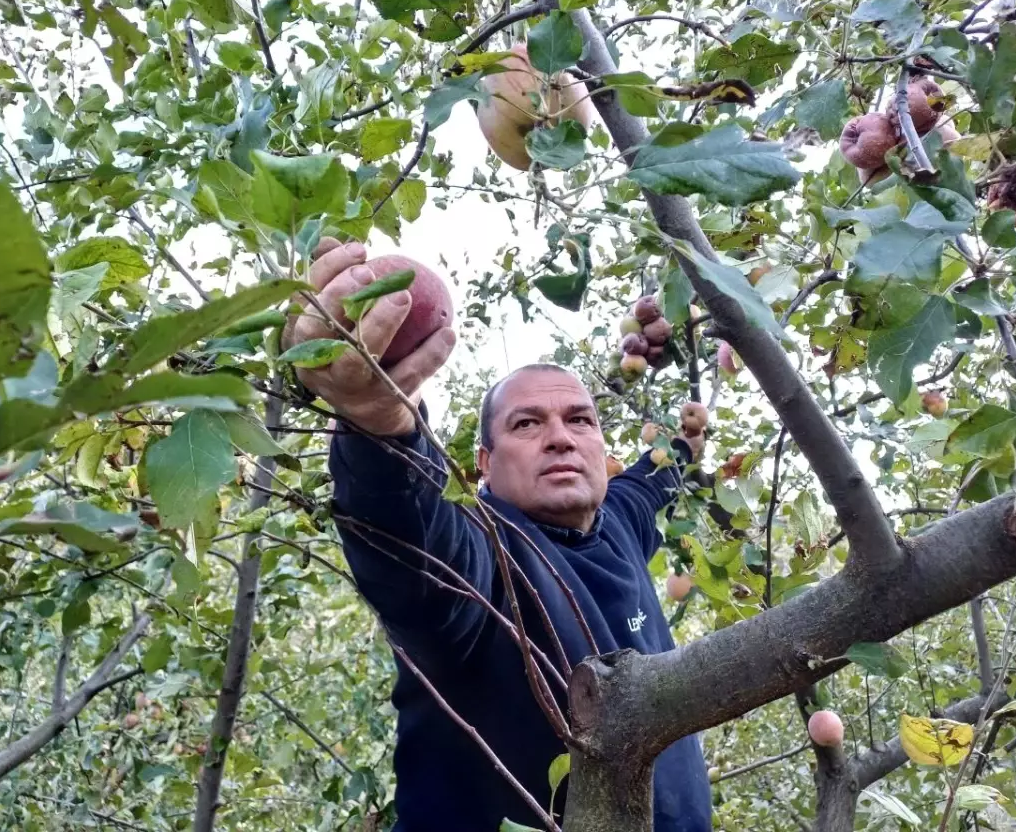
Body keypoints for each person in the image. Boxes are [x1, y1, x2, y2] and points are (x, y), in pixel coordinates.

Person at [283, 238, 714, 832]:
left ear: (600, 447)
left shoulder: (618, 524)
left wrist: (686, 445)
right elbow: (415, 546)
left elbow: (651, 478)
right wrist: (379, 425)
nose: (561, 437)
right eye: (527, 424)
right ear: (484, 465)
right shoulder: (485, 552)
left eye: (579, 420)